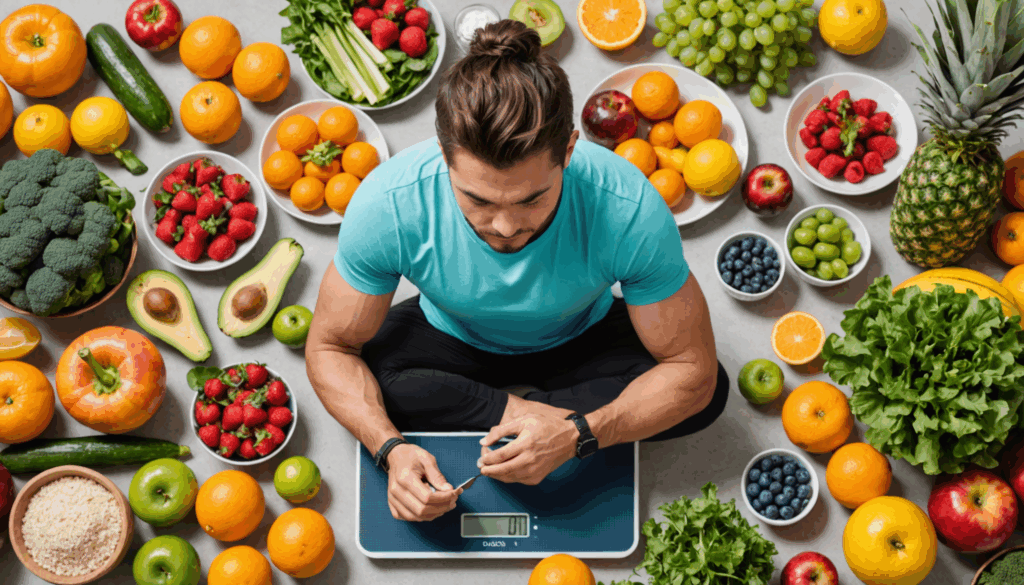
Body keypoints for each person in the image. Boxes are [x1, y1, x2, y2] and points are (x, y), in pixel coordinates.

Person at [306, 20, 728, 523]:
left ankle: (535, 420)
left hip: (580, 335)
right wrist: (390, 450)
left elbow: (692, 371)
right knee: (375, 380)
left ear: (568, 152)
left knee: (708, 394)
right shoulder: (387, 205)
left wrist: (577, 437)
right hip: (455, 339)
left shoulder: (628, 206)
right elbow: (330, 347)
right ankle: (530, 416)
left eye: (532, 198)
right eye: (478, 200)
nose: (505, 227)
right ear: (444, 157)